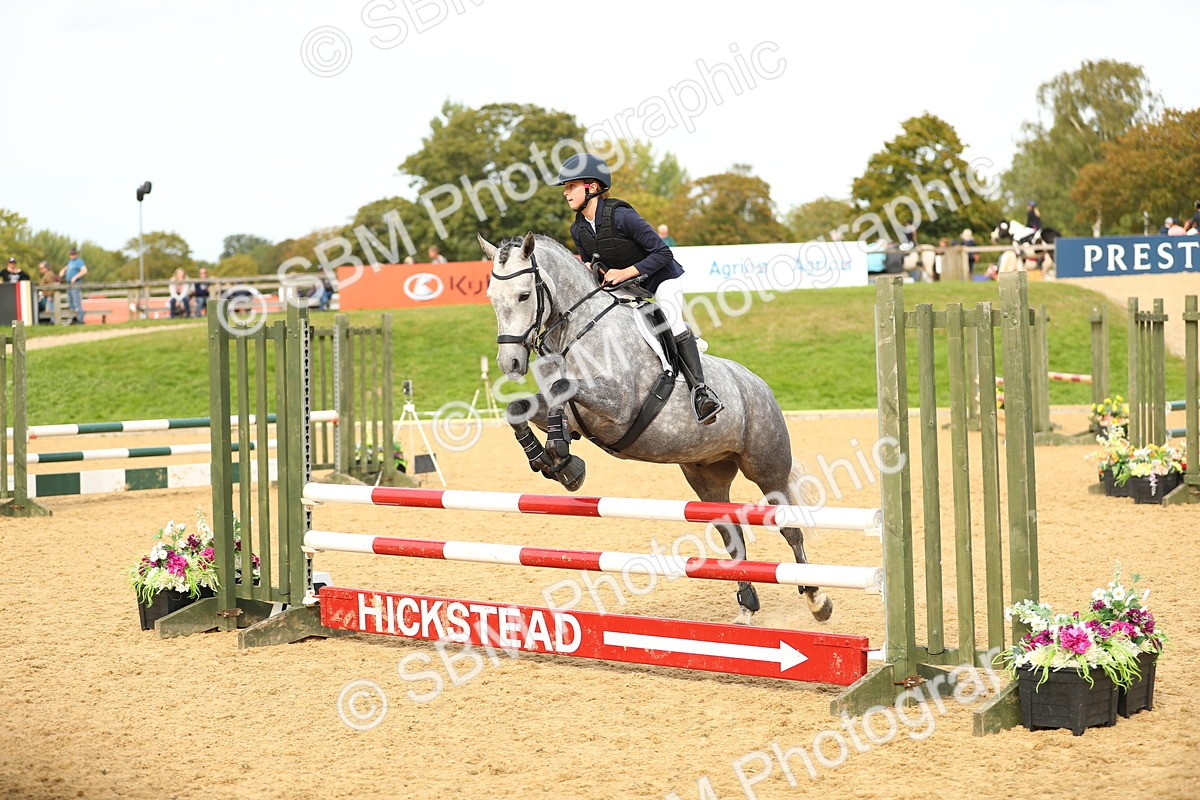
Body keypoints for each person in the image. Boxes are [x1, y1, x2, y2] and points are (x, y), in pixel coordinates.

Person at [555, 153, 722, 424]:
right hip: (627, 287)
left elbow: (663, 253)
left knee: (672, 322)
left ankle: (702, 393)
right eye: (565, 187)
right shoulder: (578, 229)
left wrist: (624, 272)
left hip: (660, 278)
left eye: (571, 186)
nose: (566, 193)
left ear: (592, 187)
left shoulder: (622, 216)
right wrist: (594, 272)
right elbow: (591, 263)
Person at [59, 248, 87, 324]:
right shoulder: (70, 262)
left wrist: (76, 277)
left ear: (77, 254)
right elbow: (66, 268)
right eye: (71, 254)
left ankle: (80, 319)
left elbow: (84, 270)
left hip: (76, 284)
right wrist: (63, 271)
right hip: (69, 284)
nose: (72, 255)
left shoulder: (79, 261)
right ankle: (73, 318)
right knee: (70, 302)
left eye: (73, 254)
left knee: (76, 302)